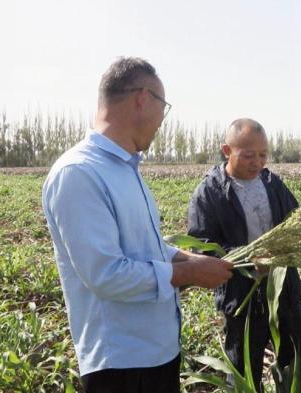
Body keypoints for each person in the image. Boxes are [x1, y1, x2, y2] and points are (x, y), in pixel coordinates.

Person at [42, 57, 233, 393]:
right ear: (143, 99)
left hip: (156, 352)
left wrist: (186, 259)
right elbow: (106, 274)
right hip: (121, 364)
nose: (162, 121)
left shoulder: (124, 169)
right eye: (164, 106)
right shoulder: (80, 173)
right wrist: (189, 274)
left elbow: (145, 247)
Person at [187, 118, 301, 390]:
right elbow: (201, 245)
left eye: (263, 155)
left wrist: (296, 236)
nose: (258, 162)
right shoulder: (210, 192)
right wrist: (247, 260)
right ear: (227, 151)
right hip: (241, 296)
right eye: (249, 155)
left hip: (284, 292)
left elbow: (298, 220)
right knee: (244, 373)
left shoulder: (272, 183)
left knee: (295, 364)